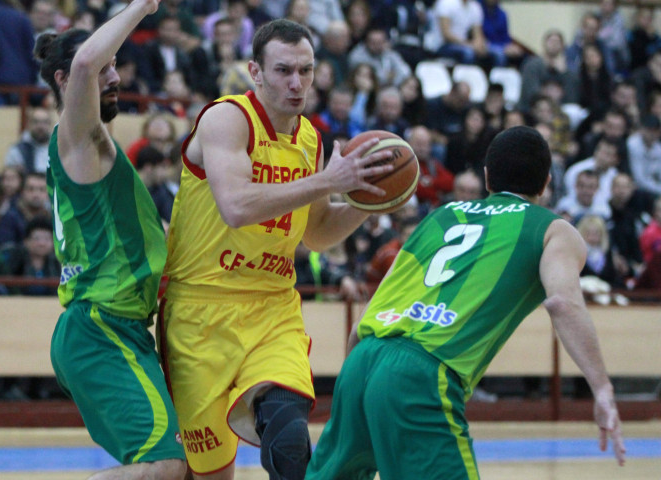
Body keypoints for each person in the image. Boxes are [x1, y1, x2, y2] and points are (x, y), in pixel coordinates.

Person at [306, 125, 626, 479]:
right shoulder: (553, 229)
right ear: (546, 183)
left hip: (363, 359)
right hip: (422, 372)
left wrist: (361, 385)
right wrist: (602, 389)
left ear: (487, 178)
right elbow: (563, 303)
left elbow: (370, 312)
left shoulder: (440, 216)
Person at [161, 18, 394, 480]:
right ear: (256, 72)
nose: (297, 83)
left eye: (305, 71)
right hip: (199, 313)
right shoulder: (226, 119)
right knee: (210, 475)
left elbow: (317, 234)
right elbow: (236, 207)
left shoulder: (310, 140)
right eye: (284, 70)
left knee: (289, 444)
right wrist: (327, 181)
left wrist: (369, 200)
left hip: (272, 308)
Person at [34, 0, 187, 477]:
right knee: (165, 466)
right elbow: (85, 61)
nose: (115, 77)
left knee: (179, 468)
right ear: (64, 80)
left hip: (119, 326)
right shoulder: (78, 136)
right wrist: (143, 5)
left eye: (116, 65)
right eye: (106, 68)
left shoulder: (96, 147)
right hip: (102, 325)